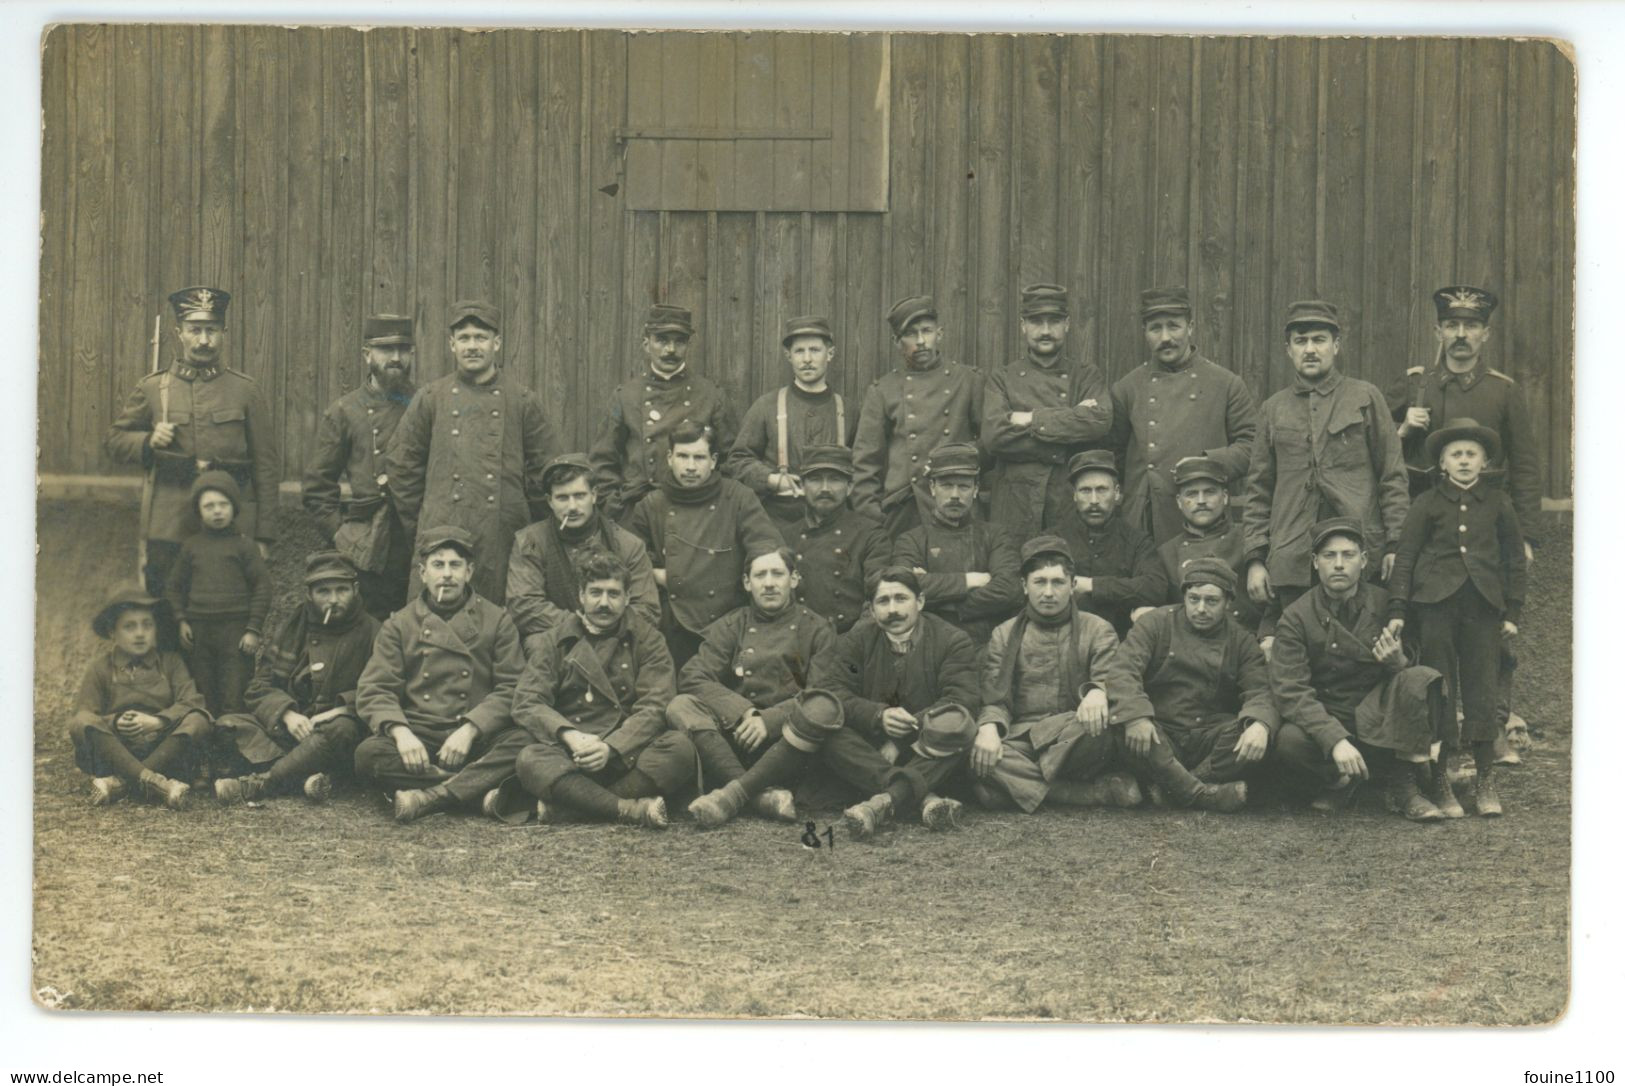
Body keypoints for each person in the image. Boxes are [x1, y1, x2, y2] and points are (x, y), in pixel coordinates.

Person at [1387, 285, 1542, 759]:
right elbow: (1382, 456)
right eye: (1451, 326)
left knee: (1491, 637)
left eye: (1470, 327)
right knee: (1430, 632)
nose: (1460, 335)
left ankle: (1492, 728)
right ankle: (1438, 734)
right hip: (1429, 530)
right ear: (1438, 331)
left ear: (1485, 334)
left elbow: (1525, 464)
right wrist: (1404, 426)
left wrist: (1528, 536)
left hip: (1487, 528)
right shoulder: (1416, 385)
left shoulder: (1502, 391)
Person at [1385, 419, 1527, 817]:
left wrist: (1512, 610)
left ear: (1484, 462)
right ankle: (1442, 778)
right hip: (1435, 609)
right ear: (1443, 464)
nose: (1464, 461)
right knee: (1440, 690)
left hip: (1482, 608)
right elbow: (1407, 558)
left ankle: (1484, 779)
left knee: (1482, 689)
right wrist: (1398, 608)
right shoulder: (1426, 503)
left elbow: (1514, 559)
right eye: (1456, 454)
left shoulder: (1499, 503)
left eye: (1471, 454)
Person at [1269, 518, 1448, 820]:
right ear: (1315, 563)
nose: (1339, 565)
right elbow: (1291, 689)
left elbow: (1415, 670)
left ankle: (1404, 786)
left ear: (1364, 561)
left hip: (1379, 716)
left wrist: (1398, 663)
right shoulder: (1296, 616)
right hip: (1332, 714)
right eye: (1329, 556)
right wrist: (1334, 740)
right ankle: (1341, 780)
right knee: (1290, 741)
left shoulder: (1387, 606)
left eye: (1348, 555)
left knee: (1420, 678)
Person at [1243, 300, 1409, 626]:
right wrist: (1255, 559)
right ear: (1287, 349)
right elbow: (1259, 490)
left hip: (1358, 555)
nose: (1310, 349)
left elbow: (1392, 475)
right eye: (1300, 340)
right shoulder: (1273, 409)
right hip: (1293, 557)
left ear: (1336, 345)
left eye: (1319, 340)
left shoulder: (1365, 398)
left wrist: (1394, 544)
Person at [106, 285, 279, 597]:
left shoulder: (245, 391)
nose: (203, 340)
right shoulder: (153, 389)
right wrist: (148, 440)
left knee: (225, 608)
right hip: (170, 525)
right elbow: (115, 440)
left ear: (223, 333)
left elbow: (265, 466)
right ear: (178, 332)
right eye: (194, 330)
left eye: (211, 330)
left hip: (231, 526)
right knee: (167, 611)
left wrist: (264, 535)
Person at [353, 526, 530, 823]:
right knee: (368, 755)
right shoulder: (399, 625)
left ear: (469, 572)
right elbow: (375, 689)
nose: (446, 574)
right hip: (421, 736)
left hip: (476, 738)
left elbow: (513, 686)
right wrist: (402, 734)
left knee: (525, 742)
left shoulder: (497, 620)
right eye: (438, 565)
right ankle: (475, 791)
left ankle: (432, 797)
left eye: (455, 565)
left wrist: (470, 729)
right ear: (423, 573)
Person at [511, 548, 696, 828]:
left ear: (627, 598)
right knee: (529, 758)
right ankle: (627, 809)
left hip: (626, 754)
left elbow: (655, 705)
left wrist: (611, 748)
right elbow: (528, 701)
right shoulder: (555, 639)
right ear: (581, 597)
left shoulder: (648, 639)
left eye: (613, 594)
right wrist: (570, 736)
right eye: (595, 593)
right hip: (573, 754)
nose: (604, 603)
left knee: (680, 749)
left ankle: (573, 808)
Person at [386, 300, 554, 606]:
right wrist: (427, 517)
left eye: (481, 337)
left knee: (497, 625)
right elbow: (401, 465)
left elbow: (546, 471)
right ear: (452, 345)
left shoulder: (522, 400)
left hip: (502, 538)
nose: (472, 346)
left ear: (497, 343)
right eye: (464, 338)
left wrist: (524, 522)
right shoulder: (431, 398)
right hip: (441, 533)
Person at [809, 567, 983, 839]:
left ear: (921, 602)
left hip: (926, 747)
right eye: (883, 601)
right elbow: (833, 689)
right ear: (871, 608)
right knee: (827, 730)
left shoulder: (951, 639)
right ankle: (923, 798)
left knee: (957, 728)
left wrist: (902, 738)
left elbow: (961, 698)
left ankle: (880, 804)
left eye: (901, 599)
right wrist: (878, 716)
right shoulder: (859, 638)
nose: (893, 610)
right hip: (872, 747)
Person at [669, 547, 838, 826]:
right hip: (738, 737)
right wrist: (744, 712)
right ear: (747, 583)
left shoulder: (818, 629)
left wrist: (768, 721)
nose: (769, 583)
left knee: (821, 710)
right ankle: (759, 795)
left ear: (793, 579)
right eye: (760, 575)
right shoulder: (733, 624)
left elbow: (821, 694)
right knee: (680, 706)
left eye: (777, 574)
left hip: (787, 743)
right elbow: (692, 675)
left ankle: (735, 793)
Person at [970, 536, 1139, 813]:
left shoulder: (1098, 629)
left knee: (1102, 729)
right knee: (976, 751)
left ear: (1073, 586)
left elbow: (1111, 677)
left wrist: (1098, 691)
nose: (1048, 592)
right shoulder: (1004, 633)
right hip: (1024, 737)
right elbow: (994, 697)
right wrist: (989, 728)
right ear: (1024, 586)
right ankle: (1082, 793)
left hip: (1075, 734)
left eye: (1058, 582)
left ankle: (1021, 786)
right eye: (1039, 582)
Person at [1102, 557, 1272, 812]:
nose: (1201, 608)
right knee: (1121, 725)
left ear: (1227, 602)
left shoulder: (1241, 640)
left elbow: (1259, 689)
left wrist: (1259, 723)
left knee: (1254, 734)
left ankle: (1173, 787)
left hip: (1207, 738)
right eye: (1194, 599)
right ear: (1184, 596)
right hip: (1159, 731)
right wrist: (1137, 716)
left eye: (1211, 601)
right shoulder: (1155, 623)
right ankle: (1200, 794)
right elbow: (1123, 671)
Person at [212, 552, 380, 805]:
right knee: (227, 725)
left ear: (355, 589)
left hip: (337, 731)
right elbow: (258, 687)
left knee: (341, 730)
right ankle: (304, 775)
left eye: (342, 590)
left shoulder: (373, 631)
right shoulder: (292, 627)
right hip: (292, 730)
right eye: (324, 591)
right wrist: (287, 715)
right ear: (309, 594)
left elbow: (383, 688)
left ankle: (259, 784)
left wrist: (340, 710)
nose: (333, 600)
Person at [1107, 286, 1257, 544]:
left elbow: (1253, 448)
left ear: (1190, 327)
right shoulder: (1127, 388)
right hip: (1145, 521)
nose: (1165, 337)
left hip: (1206, 523)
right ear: (1145, 333)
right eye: (1155, 328)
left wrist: (1204, 463)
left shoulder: (1226, 384)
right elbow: (1115, 456)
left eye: (1174, 326)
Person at [627, 421, 781, 668]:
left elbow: (765, 548)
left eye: (699, 457)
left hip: (729, 622)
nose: (690, 466)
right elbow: (632, 559)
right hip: (673, 625)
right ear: (669, 458)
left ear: (713, 460)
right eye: (683, 456)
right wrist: (659, 574)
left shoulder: (738, 497)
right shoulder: (651, 505)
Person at [302, 313, 419, 619]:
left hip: (417, 536)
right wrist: (341, 536)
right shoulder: (345, 411)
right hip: (368, 541)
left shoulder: (425, 403)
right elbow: (317, 487)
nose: (396, 358)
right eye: (386, 350)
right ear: (367, 354)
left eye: (403, 350)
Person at [982, 284, 1113, 538]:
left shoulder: (1086, 376)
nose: (1045, 331)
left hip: (1065, 499)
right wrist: (1068, 429)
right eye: (1036, 322)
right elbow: (994, 437)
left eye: (1053, 322)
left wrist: (1031, 419)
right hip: (1015, 502)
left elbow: (1099, 421)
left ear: (1067, 324)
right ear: (1023, 325)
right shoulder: (1002, 378)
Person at [851, 295, 985, 537]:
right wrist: (873, 517)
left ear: (940, 334)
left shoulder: (968, 380)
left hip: (958, 509)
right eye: (911, 334)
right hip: (903, 510)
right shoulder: (883, 390)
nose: (921, 341)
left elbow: (989, 443)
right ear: (897, 341)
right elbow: (865, 463)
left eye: (927, 331)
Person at [590, 303, 737, 524]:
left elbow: (730, 461)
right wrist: (617, 509)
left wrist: (713, 508)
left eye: (679, 341)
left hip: (695, 513)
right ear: (647, 344)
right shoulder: (625, 396)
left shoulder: (711, 395)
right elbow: (602, 462)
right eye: (662, 340)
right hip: (637, 512)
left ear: (688, 345)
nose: (670, 350)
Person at [506, 452, 661, 658]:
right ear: (549, 501)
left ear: (594, 495)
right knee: (538, 645)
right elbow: (523, 606)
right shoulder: (530, 542)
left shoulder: (627, 544)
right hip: (559, 639)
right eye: (562, 498)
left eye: (580, 496)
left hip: (616, 637)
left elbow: (647, 608)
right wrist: (580, 625)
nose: (572, 507)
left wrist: (606, 626)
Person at [69, 586, 210, 809]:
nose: (140, 633)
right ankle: (155, 782)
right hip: (116, 752)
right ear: (112, 632)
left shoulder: (171, 662)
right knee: (80, 722)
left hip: (163, 749)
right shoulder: (100, 668)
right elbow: (85, 715)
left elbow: (192, 702)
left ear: (155, 629)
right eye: (129, 626)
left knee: (199, 719)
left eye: (147, 625)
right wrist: (115, 721)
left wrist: (158, 721)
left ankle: (122, 783)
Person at [726, 315, 858, 542]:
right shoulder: (766, 406)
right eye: (799, 351)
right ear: (789, 356)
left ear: (830, 354)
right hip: (778, 520)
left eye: (815, 350)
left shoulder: (849, 410)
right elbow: (737, 461)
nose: (807, 359)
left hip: (834, 524)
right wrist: (771, 479)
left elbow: (863, 468)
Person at [162, 471, 270, 717]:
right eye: (209, 506)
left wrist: (253, 629)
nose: (217, 511)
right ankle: (206, 745)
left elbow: (263, 587)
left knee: (235, 693)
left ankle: (234, 745)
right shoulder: (191, 546)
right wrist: (181, 620)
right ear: (199, 511)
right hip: (200, 631)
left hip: (235, 631)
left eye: (223, 504)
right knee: (204, 692)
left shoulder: (245, 546)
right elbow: (174, 586)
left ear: (234, 507)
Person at [892, 442, 1022, 642]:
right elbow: (903, 589)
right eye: (946, 485)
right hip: (931, 644)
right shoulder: (911, 541)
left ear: (976, 489)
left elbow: (1010, 590)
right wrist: (970, 581)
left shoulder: (996, 536)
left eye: (963, 486)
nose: (955, 495)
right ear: (933, 488)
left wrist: (941, 602)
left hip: (986, 644)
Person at [1146, 456, 1264, 636]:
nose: (1201, 500)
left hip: (1245, 641)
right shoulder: (1167, 553)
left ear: (1225, 497)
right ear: (1179, 501)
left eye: (1209, 492)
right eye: (1191, 494)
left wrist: (1267, 635)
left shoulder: (1249, 538)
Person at [1050, 449, 1161, 639]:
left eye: (1102, 490)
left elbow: (1154, 587)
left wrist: (1091, 585)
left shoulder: (1136, 541)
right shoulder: (1054, 539)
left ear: (1117, 494)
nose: (1094, 500)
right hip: (1064, 637)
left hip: (1121, 639)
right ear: (1074, 495)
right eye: (1085, 491)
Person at [784, 444, 893, 633]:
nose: (825, 488)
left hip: (849, 642)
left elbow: (878, 598)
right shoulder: (786, 536)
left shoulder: (871, 535)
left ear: (850, 487)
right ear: (802, 486)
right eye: (816, 479)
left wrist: (850, 646)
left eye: (835, 480)